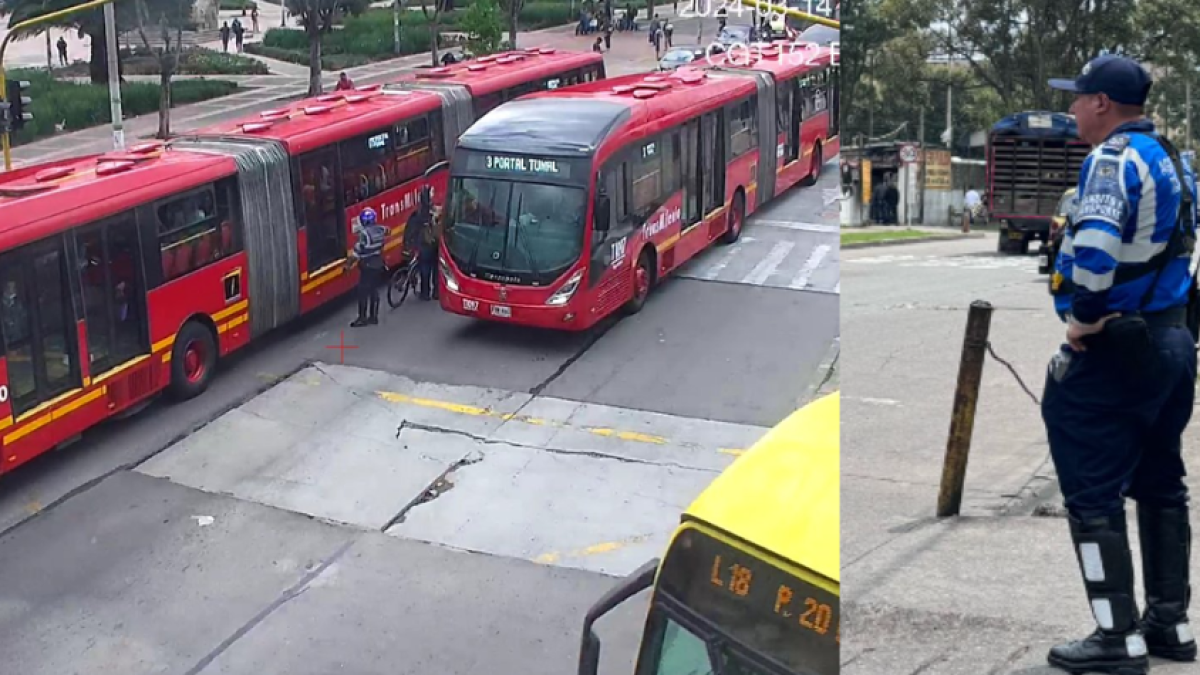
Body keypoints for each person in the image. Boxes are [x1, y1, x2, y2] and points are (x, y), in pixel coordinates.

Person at [1042, 54, 1199, 675]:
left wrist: (1083, 319)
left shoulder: (1111, 159)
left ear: (1102, 103)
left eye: (1078, 99)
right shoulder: (1175, 161)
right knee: (1161, 482)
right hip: (1171, 342)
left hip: (1116, 347)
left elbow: (1098, 252)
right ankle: (1170, 622)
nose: (1073, 109)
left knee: (1092, 489)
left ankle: (1117, 637)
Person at [350, 208, 387, 326]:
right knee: (374, 291)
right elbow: (388, 231)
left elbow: (357, 252)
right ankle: (373, 317)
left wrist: (347, 265)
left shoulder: (364, 235)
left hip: (367, 265)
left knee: (363, 292)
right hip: (378, 264)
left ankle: (362, 318)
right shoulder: (381, 229)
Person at [403, 186, 438, 301]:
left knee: (425, 269)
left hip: (423, 245)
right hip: (435, 244)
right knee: (436, 268)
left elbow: (411, 231)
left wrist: (409, 245)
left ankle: (425, 293)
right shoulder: (434, 211)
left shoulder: (417, 214)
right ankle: (436, 292)